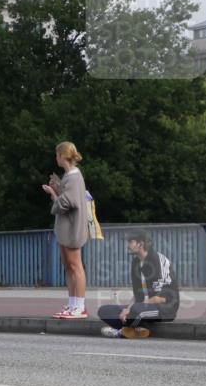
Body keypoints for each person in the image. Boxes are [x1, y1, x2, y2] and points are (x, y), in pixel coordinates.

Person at [99, 231, 178, 339]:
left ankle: (121, 330)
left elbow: (161, 298)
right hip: (143, 306)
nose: (128, 245)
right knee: (104, 310)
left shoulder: (157, 261)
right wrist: (127, 309)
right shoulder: (136, 262)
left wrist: (131, 310)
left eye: (131, 242)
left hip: (165, 309)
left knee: (136, 310)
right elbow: (137, 295)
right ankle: (134, 329)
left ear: (140, 244)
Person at [42, 141, 88, 319]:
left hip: (72, 228)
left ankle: (80, 306)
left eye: (57, 155)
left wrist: (53, 194)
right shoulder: (69, 176)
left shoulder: (74, 177)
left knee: (75, 266)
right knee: (69, 267)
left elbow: (69, 202)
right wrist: (58, 188)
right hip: (66, 227)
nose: (56, 158)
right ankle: (72, 304)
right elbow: (69, 197)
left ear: (62, 156)